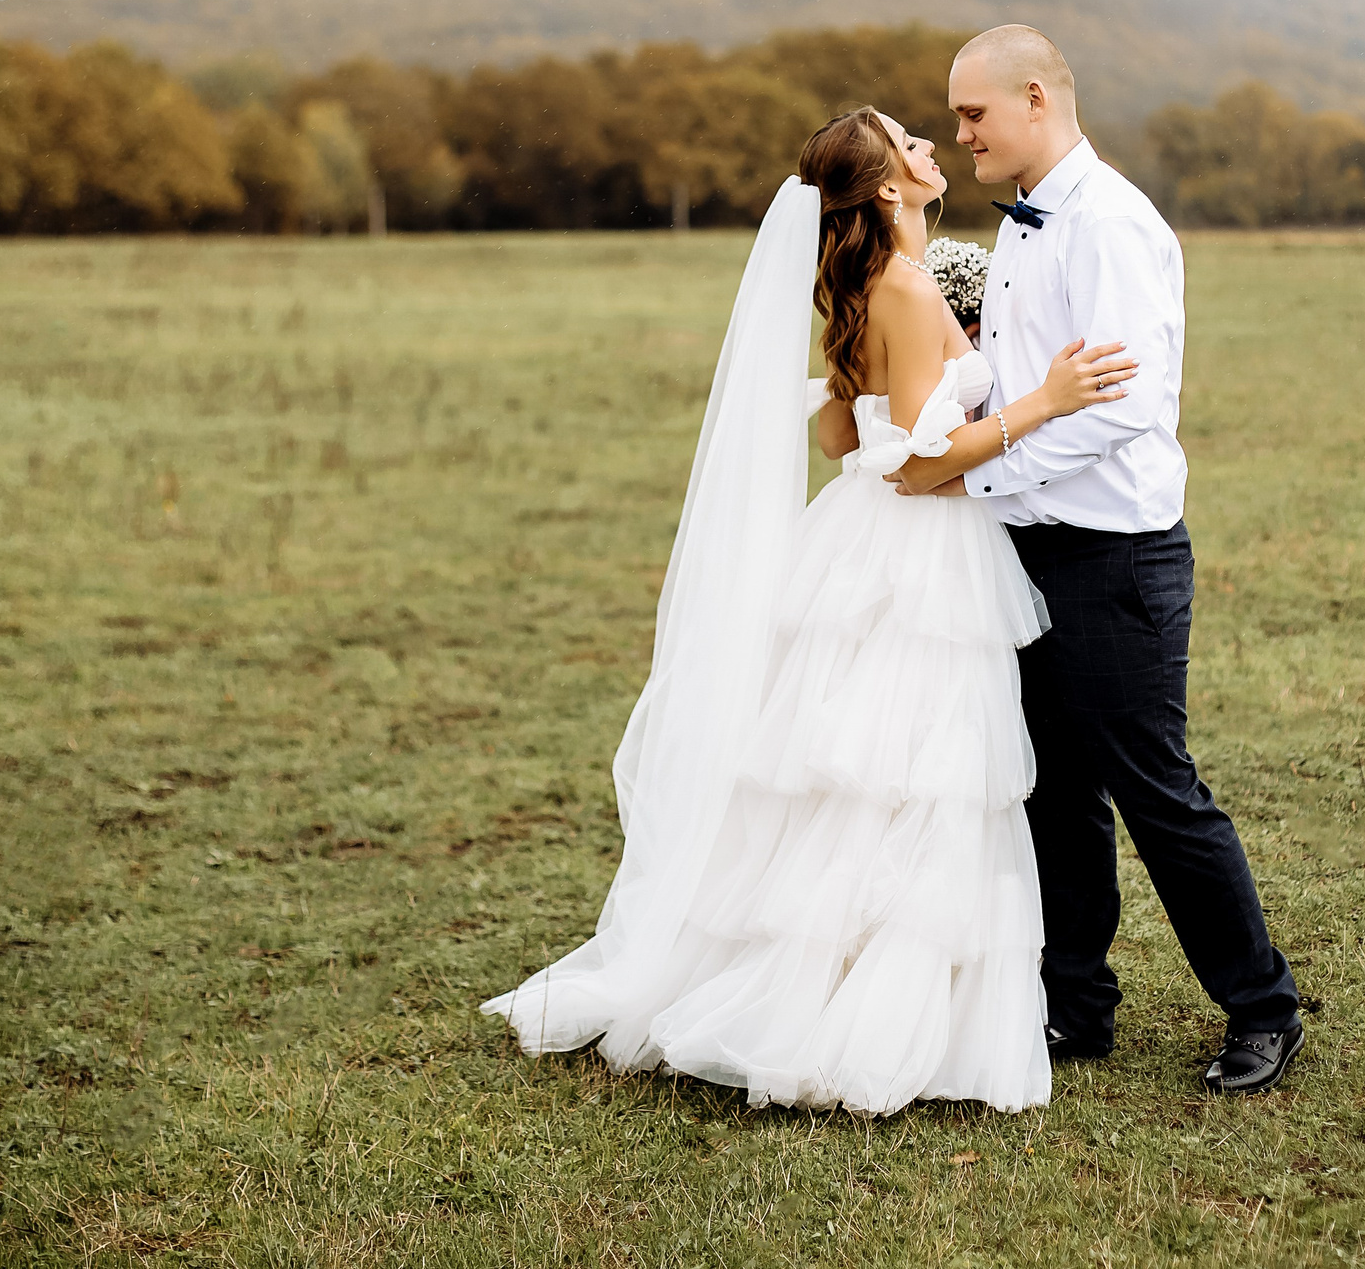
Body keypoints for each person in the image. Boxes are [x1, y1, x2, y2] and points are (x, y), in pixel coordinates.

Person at [482, 107, 1135, 1115]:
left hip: (852, 538)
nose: (931, 149)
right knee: (913, 773)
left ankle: (819, 975)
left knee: (841, 771)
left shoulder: (859, 282)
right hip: (920, 554)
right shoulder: (910, 286)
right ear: (885, 189)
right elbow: (919, 467)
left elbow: (842, 434)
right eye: (911, 144)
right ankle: (866, 1010)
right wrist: (1041, 401)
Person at [890, 26, 1314, 1095]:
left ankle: (1264, 1005)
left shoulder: (1112, 223)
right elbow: (1025, 378)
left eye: (972, 114)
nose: (958, 133)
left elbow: (1127, 408)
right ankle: (1074, 1004)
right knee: (1051, 790)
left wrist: (972, 479)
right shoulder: (1031, 222)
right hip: (1027, 551)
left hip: (1113, 556)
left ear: (1035, 98)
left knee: (1156, 789)